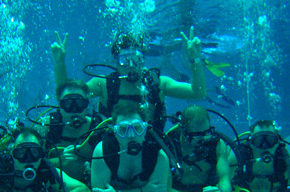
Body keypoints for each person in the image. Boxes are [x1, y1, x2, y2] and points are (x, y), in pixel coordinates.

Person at [51, 26, 207, 131]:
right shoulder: (103, 85)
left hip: (152, 146)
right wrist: (59, 63)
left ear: (144, 60)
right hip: (110, 147)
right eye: (124, 60)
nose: (131, 66)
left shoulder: (158, 83)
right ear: (116, 62)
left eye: (136, 59)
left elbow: (198, 93)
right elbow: (67, 96)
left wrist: (196, 60)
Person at [91, 101, 169, 192]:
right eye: (123, 130)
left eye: (137, 128)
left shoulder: (158, 156)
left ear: (145, 130)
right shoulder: (103, 152)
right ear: (115, 132)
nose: (131, 135)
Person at [165, 105, 231, 192]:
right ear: (182, 129)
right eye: (196, 136)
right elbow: (164, 190)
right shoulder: (169, 146)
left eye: (206, 134)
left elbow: (225, 181)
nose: (202, 140)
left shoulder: (217, 144)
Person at [45, 79, 105, 184]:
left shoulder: (98, 129)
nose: (74, 109)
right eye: (68, 104)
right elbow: (31, 163)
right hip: (55, 186)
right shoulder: (47, 127)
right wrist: (60, 160)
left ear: (86, 105)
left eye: (79, 103)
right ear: (60, 105)